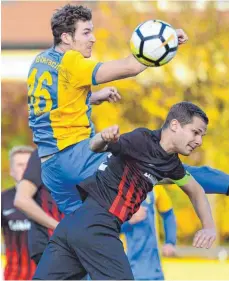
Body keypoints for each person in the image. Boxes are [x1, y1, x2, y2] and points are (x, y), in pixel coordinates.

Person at [27, 4, 188, 215]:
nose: (92, 38)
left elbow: (54, 106)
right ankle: (218, 183)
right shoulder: (71, 61)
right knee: (153, 165)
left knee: (79, 232)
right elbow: (130, 67)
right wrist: (167, 39)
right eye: (86, 32)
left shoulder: (41, 60)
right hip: (76, 157)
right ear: (66, 38)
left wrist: (92, 97)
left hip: (50, 167)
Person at [33, 102, 216, 280]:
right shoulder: (141, 139)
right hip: (96, 226)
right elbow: (95, 147)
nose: (199, 141)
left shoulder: (172, 164)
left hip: (74, 226)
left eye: (202, 136)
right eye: (195, 132)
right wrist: (103, 137)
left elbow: (196, 190)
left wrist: (208, 227)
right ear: (175, 125)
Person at [14, 149, 64, 265]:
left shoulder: (86, 151)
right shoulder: (44, 152)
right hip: (53, 247)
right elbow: (21, 199)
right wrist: (59, 227)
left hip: (82, 246)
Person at [121, 186, 176, 280]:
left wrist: (170, 242)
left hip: (154, 269)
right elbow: (105, 225)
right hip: (127, 267)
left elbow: (168, 214)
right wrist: (129, 220)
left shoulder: (156, 187)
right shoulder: (116, 188)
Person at [1, 146, 36, 280]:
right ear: (11, 171)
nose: (25, 168)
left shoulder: (51, 199)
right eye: (20, 165)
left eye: (29, 164)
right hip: (15, 276)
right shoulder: (3, 199)